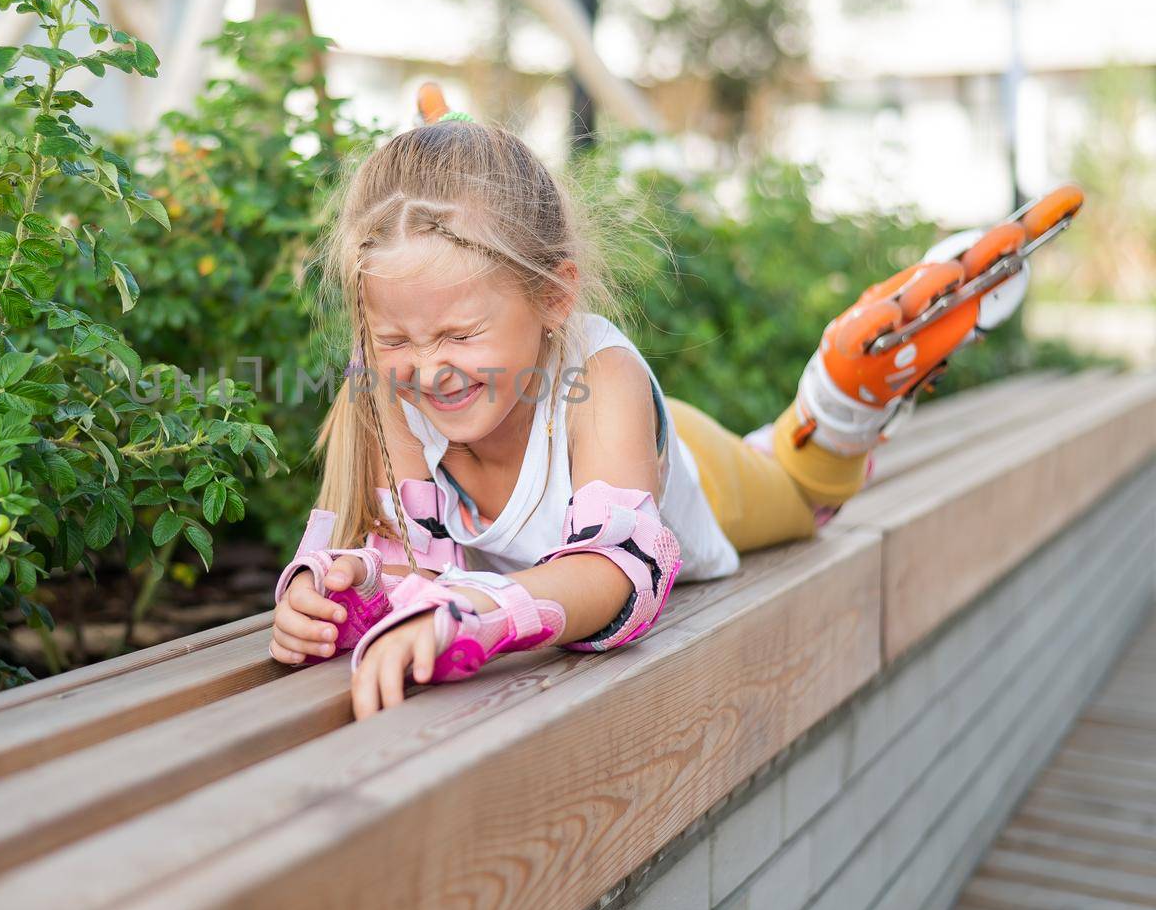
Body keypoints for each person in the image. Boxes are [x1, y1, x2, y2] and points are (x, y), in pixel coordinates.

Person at [270, 85, 1082, 721]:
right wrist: (342, 589)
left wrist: (481, 618)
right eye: (396, 339)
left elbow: (621, 568)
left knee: (796, 491)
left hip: (680, 468)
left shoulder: (602, 374)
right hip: (613, 459)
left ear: (555, 297)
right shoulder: (389, 388)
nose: (426, 370)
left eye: (459, 332)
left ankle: (844, 397)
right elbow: (421, 559)